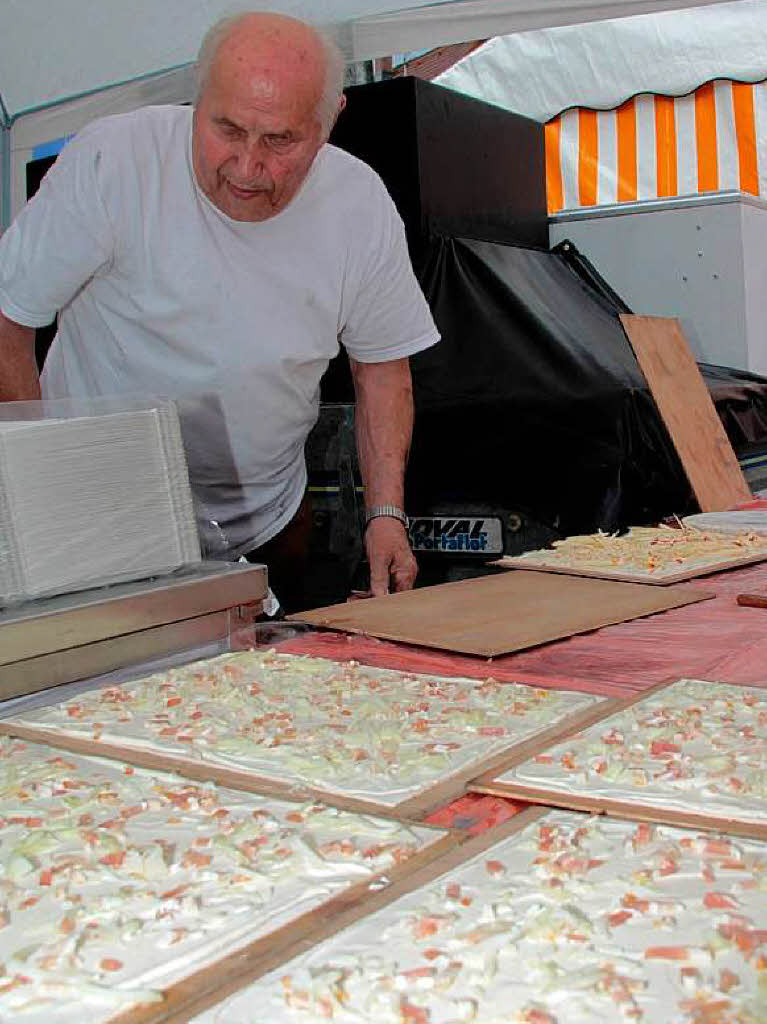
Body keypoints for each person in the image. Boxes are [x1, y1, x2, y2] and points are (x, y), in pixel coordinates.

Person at [0, 11, 440, 611]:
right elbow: (8, 314)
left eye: (280, 141)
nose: (247, 165)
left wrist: (386, 514)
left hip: (270, 525)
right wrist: (41, 491)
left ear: (329, 119)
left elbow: (382, 365)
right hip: (104, 520)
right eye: (227, 129)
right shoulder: (115, 160)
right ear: (198, 98)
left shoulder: (359, 204)